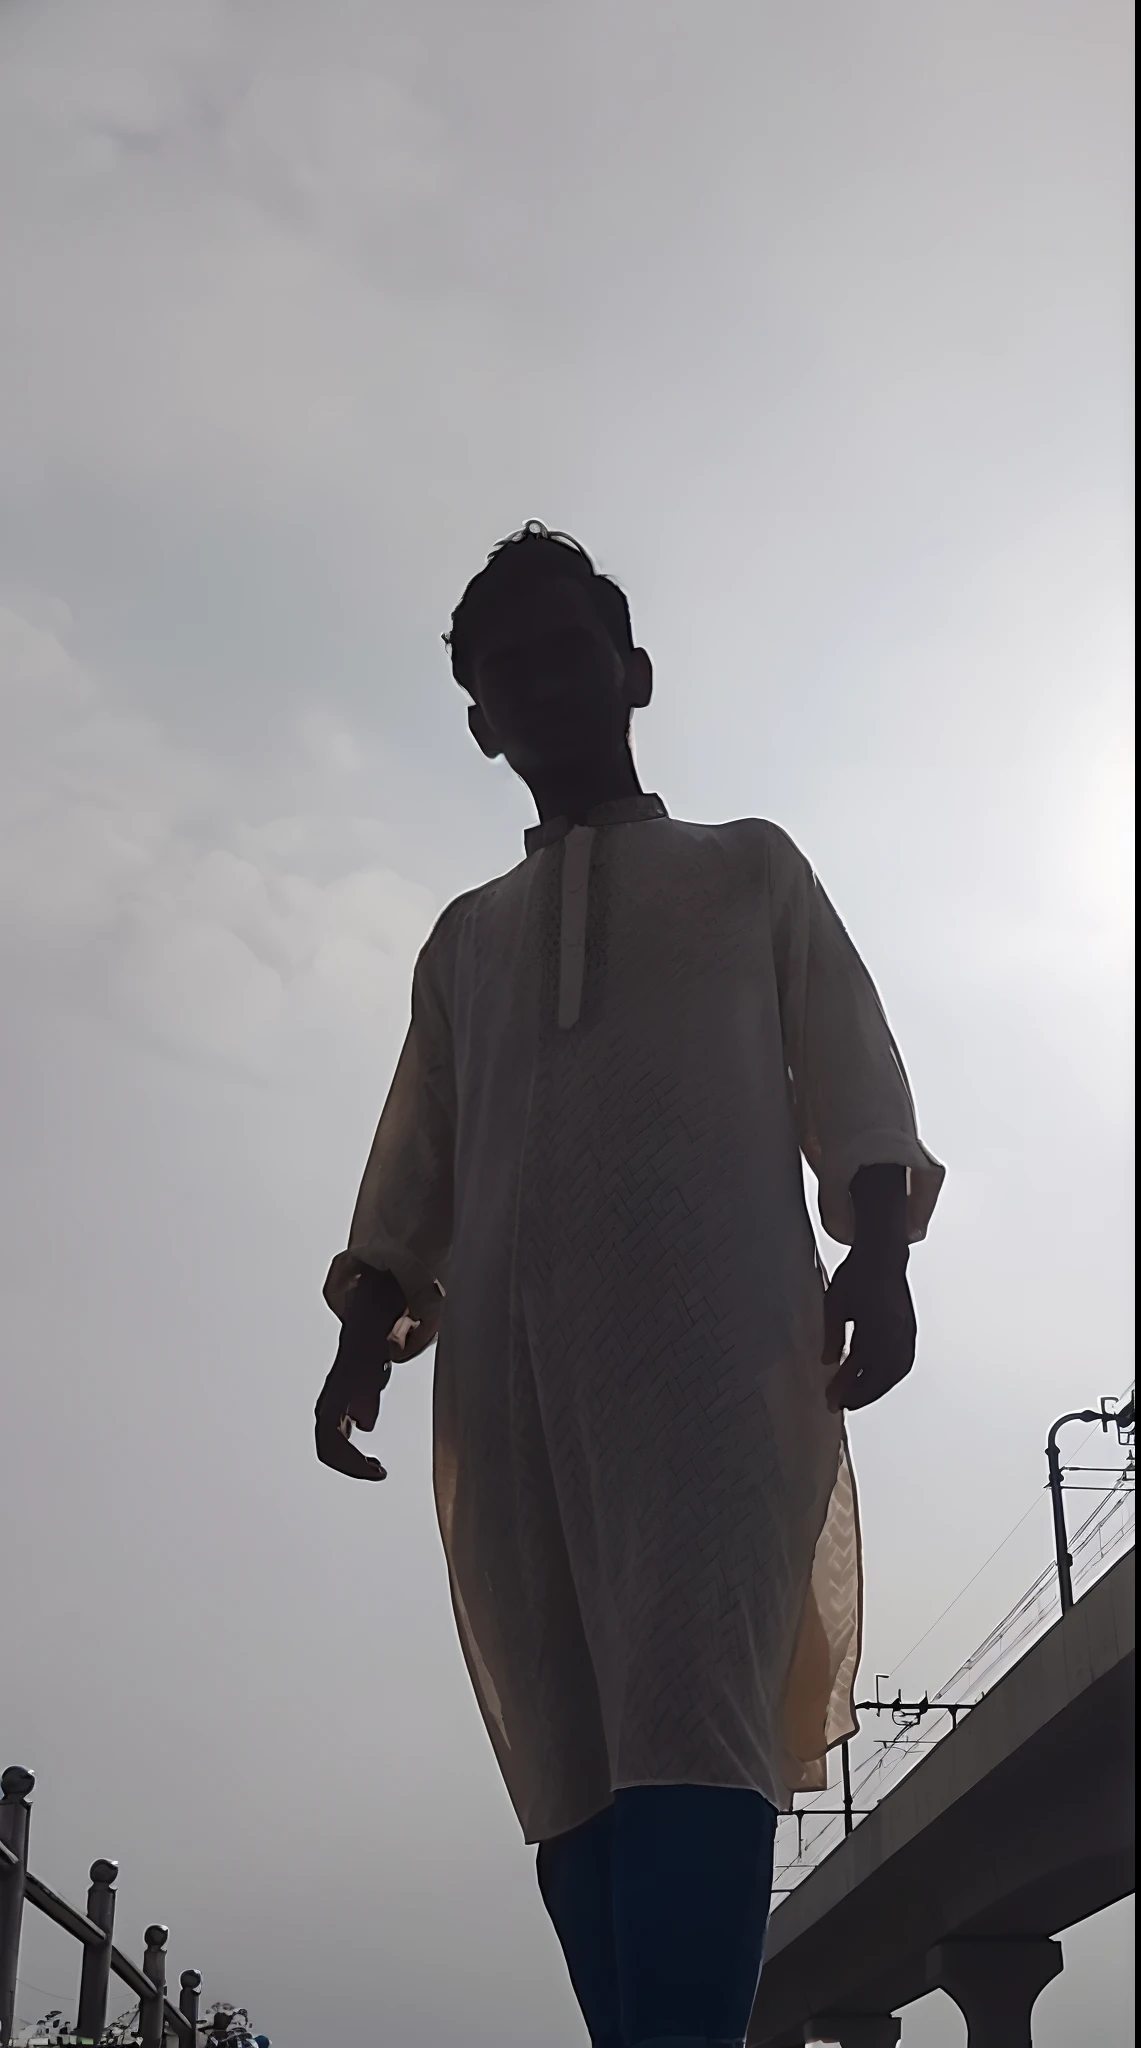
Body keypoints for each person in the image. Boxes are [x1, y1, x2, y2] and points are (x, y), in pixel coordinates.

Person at [315, 523, 944, 2048]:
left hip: (715, 1361)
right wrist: (365, 1339)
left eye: (566, 649)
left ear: (633, 672)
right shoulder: (467, 943)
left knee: (692, 1710)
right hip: (515, 1396)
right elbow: (420, 1165)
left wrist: (876, 1250)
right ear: (481, 722)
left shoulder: (747, 869)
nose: (541, 682)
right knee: (569, 1740)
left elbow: (851, 1065)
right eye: (505, 668)